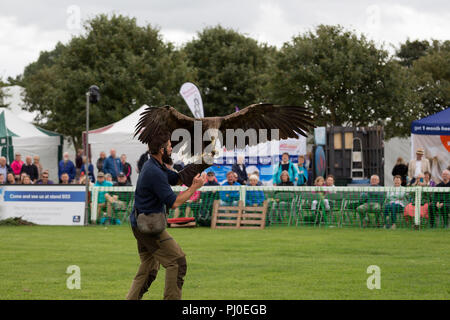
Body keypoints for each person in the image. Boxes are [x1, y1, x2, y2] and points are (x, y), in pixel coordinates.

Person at [126, 134, 204, 300]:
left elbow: (176, 179)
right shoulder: (154, 171)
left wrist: (201, 163)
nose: (171, 148)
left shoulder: (155, 165)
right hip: (148, 226)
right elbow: (174, 203)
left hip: (142, 224)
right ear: (162, 150)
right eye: (169, 146)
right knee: (177, 261)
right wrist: (194, 189)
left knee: (149, 267)